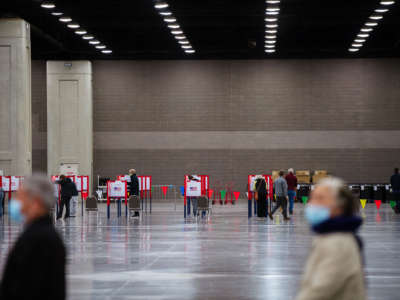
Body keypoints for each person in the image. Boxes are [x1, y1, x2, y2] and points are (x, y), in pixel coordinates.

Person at [295, 177, 366, 300]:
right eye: (312, 198)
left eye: (320, 198)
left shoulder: (338, 242)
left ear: (339, 205)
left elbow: (320, 290)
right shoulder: (329, 235)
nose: (312, 203)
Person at [0, 174, 66, 300]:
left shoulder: (39, 239)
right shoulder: (40, 234)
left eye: (20, 198)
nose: (16, 202)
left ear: (35, 202)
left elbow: (27, 287)